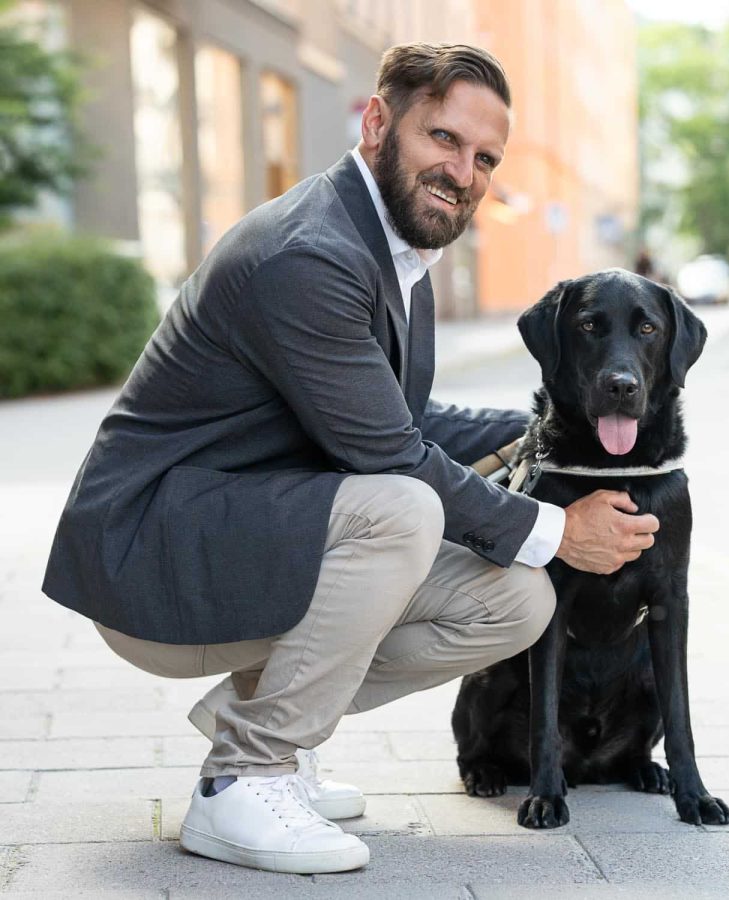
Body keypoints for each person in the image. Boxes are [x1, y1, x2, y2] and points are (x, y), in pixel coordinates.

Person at [42, 43, 659, 875]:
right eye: (443, 138)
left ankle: (267, 728)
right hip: (155, 551)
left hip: (255, 536)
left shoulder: (397, 251)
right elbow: (393, 453)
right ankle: (242, 780)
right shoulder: (311, 252)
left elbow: (407, 414)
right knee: (403, 509)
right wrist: (557, 528)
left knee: (516, 601)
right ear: (377, 122)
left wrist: (564, 423)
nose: (464, 171)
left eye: (484, 158)